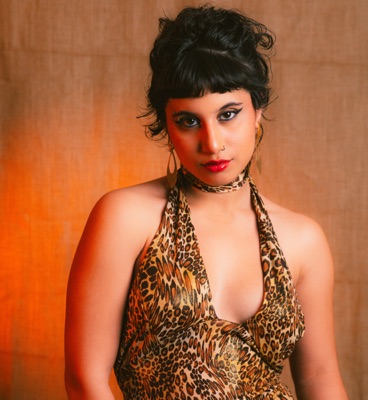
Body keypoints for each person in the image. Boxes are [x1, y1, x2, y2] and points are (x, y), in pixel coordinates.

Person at [64, 5, 348, 399]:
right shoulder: (124, 217)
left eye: (228, 114)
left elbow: (319, 378)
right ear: (166, 124)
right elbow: (84, 379)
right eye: (189, 121)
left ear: (257, 111)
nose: (212, 143)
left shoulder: (303, 239)